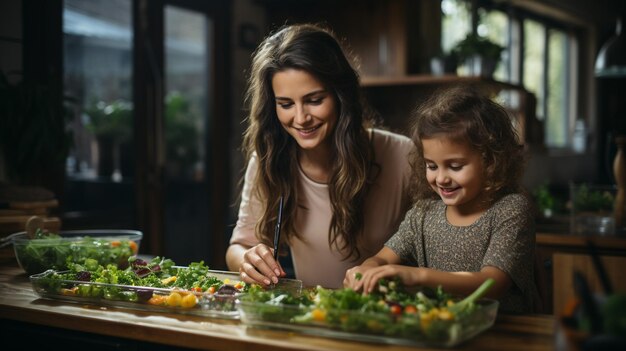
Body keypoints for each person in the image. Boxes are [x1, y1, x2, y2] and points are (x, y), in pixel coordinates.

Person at [226, 23, 415, 289]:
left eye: (314, 100)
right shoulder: (269, 159)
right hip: (312, 316)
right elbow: (238, 246)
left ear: (341, 95)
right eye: (286, 104)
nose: (301, 119)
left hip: (387, 318)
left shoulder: (402, 155)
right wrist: (248, 260)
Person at [344, 85, 538, 314]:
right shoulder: (423, 213)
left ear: (491, 161)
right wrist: (366, 270)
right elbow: (382, 259)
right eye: (431, 166)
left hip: (506, 333)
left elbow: (492, 283)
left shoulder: (510, 209)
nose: (441, 178)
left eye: (455, 166)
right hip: (442, 332)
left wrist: (419, 276)